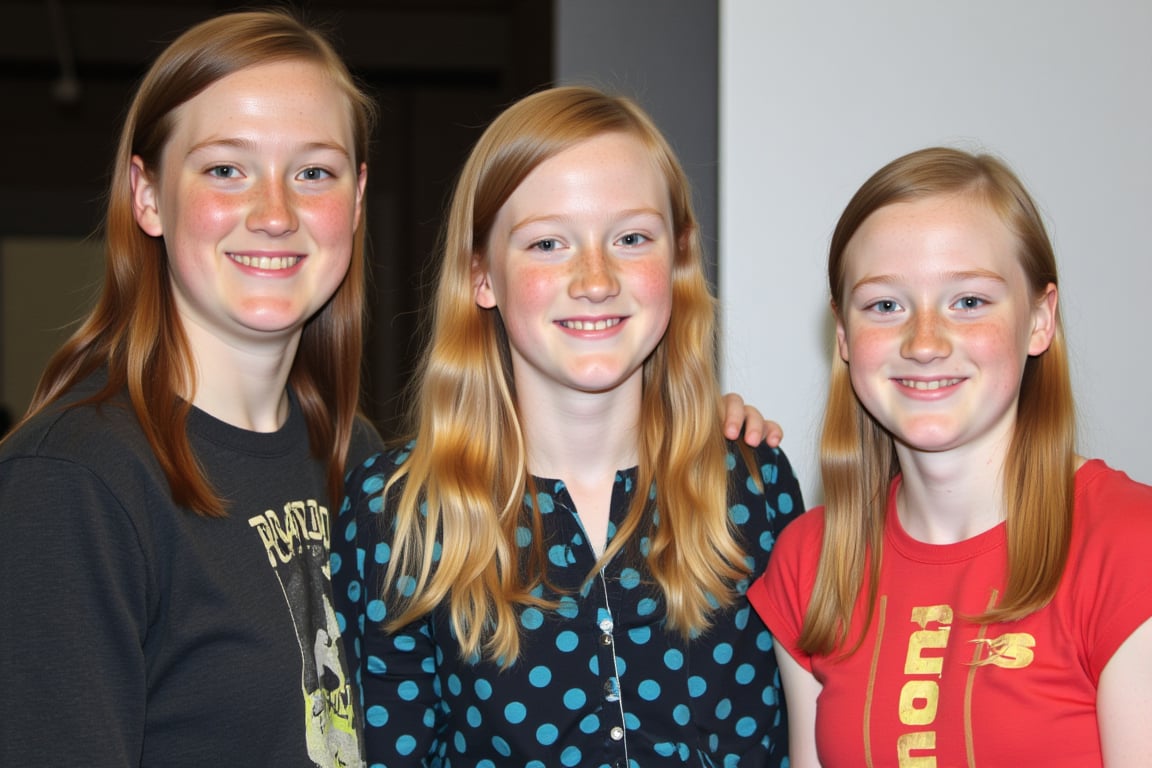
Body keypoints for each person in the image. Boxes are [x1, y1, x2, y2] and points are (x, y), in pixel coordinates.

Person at [331, 85, 803, 767]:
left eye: (631, 238)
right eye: (549, 243)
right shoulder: (394, 513)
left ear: (677, 260)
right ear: (482, 275)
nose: (594, 278)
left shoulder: (753, 485)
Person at [0, 10, 381, 766]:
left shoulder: (355, 454)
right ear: (146, 196)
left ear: (358, 198)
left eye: (313, 172)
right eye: (225, 169)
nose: (275, 213)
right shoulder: (72, 483)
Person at [749, 147, 1152, 767]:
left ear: (1040, 319)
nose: (926, 343)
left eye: (968, 302)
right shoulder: (810, 563)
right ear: (843, 337)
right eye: (885, 306)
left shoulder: (1129, 546)